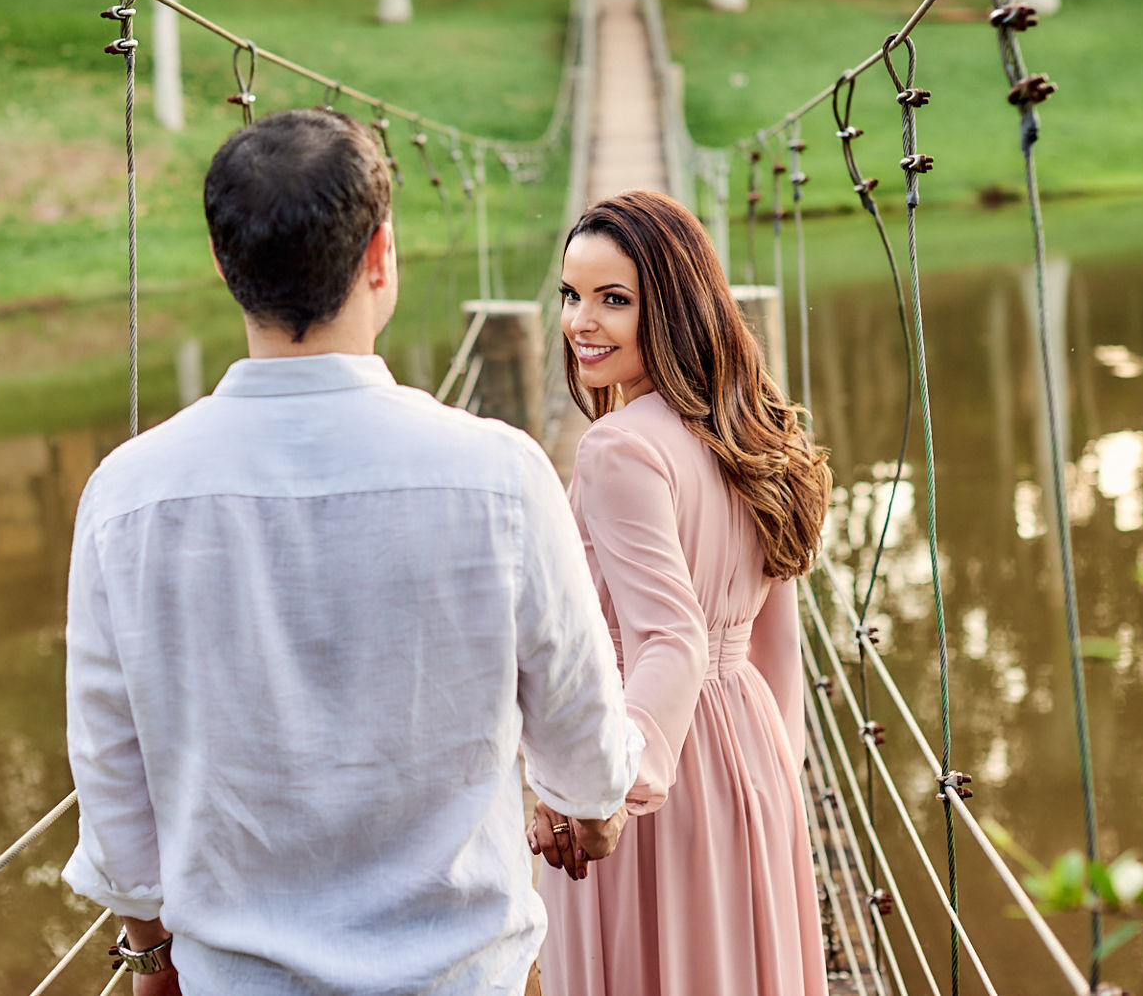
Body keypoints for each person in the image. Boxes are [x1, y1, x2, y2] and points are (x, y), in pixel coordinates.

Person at [60, 108, 645, 996]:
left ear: (223, 262)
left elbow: (111, 766)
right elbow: (582, 730)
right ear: (379, 254)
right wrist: (590, 805)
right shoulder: (500, 474)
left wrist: (149, 950)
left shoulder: (125, 495)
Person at [533, 190, 833, 996]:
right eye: (571, 295)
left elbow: (671, 641)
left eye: (613, 299)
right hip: (754, 756)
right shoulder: (755, 432)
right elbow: (776, 637)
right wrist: (775, 771)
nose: (581, 322)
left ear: (670, 307)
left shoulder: (617, 448)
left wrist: (608, 792)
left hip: (648, 763)